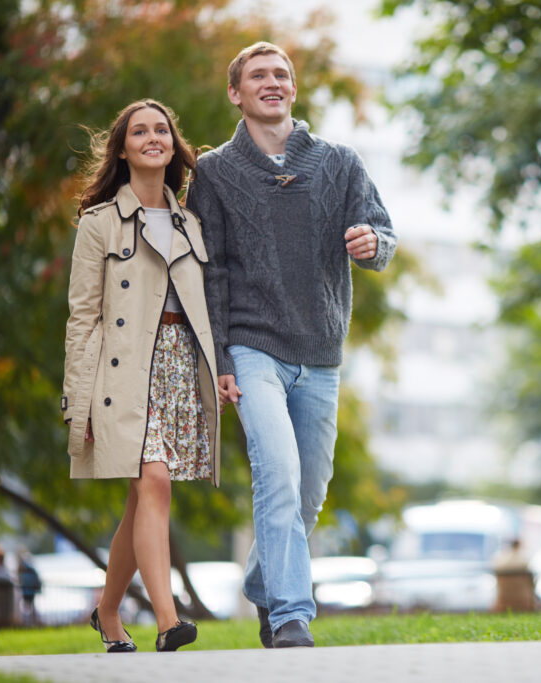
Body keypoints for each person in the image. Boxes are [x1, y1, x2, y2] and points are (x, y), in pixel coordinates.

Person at [186, 41, 395, 648]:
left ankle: (264, 582)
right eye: (258, 75)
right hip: (252, 347)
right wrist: (221, 358)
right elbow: (211, 273)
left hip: (321, 351)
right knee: (276, 474)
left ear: (293, 89)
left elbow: (382, 231)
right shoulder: (216, 172)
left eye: (281, 74)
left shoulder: (339, 162)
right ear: (237, 93)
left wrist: (371, 244)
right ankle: (290, 617)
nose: (271, 82)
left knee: (308, 492)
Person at [61, 99, 221, 653]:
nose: (153, 138)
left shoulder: (192, 222)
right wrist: (76, 403)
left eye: (162, 130)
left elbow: (205, 310)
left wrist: (219, 373)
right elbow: (83, 318)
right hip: (121, 370)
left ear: (175, 145)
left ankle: (107, 613)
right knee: (152, 482)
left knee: (142, 499)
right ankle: (168, 621)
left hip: (180, 365)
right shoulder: (98, 223)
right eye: (140, 131)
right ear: (123, 147)